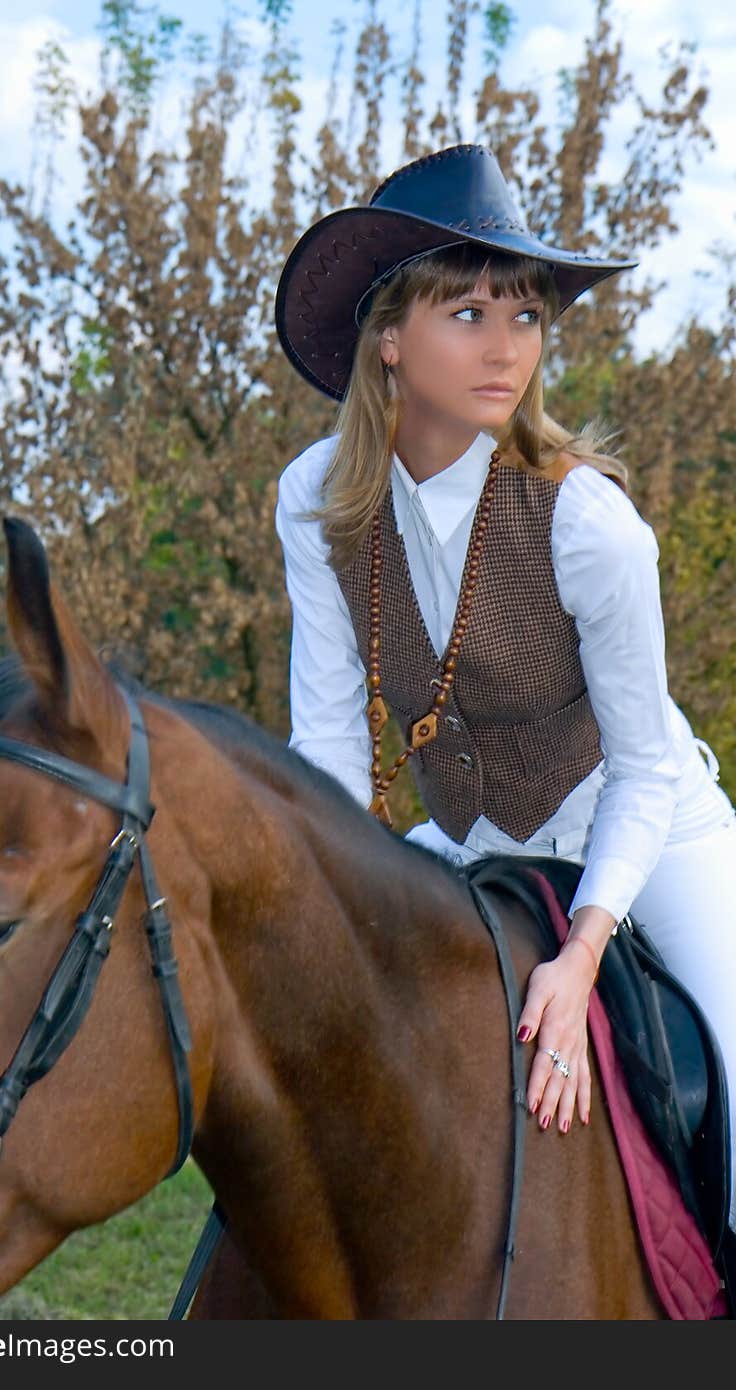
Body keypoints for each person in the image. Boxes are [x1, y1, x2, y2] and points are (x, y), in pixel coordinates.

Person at [273, 142, 736, 1231]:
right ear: (389, 338)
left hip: (644, 828)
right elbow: (329, 744)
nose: (507, 347)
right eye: (469, 314)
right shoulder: (314, 500)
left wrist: (578, 956)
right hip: (470, 836)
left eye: (525, 316)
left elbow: (641, 765)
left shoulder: (588, 522)